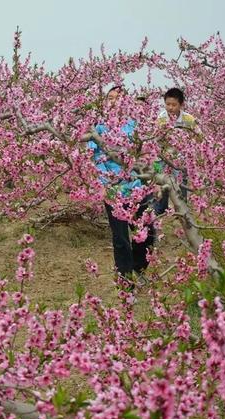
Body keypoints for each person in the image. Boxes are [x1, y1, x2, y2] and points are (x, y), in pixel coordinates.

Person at [88, 86, 156, 288]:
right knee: (120, 237)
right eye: (110, 98)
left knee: (145, 231)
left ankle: (139, 268)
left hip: (136, 186)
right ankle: (126, 278)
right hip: (112, 189)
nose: (113, 102)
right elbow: (93, 156)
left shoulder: (134, 126)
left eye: (118, 99)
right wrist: (104, 181)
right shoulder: (98, 127)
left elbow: (146, 153)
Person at [154, 88, 198, 214]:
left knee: (181, 186)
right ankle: (160, 211)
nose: (170, 108)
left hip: (182, 158)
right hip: (164, 157)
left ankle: (183, 212)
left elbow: (199, 136)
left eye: (174, 105)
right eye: (168, 104)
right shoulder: (161, 119)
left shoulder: (188, 119)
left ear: (181, 105)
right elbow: (155, 139)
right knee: (163, 186)